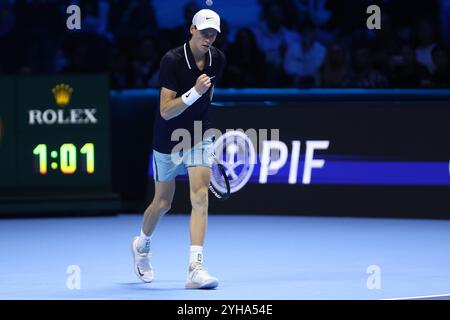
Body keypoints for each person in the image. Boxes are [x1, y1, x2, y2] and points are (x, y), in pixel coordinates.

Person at [131, 9, 226, 289]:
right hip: (168, 139)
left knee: (200, 196)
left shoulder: (217, 59)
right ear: (192, 29)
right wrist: (194, 92)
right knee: (163, 203)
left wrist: (205, 128)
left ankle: (195, 269)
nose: (209, 38)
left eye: (214, 34)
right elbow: (165, 111)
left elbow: (210, 96)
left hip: (198, 136)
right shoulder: (172, 60)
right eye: (204, 32)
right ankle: (142, 245)